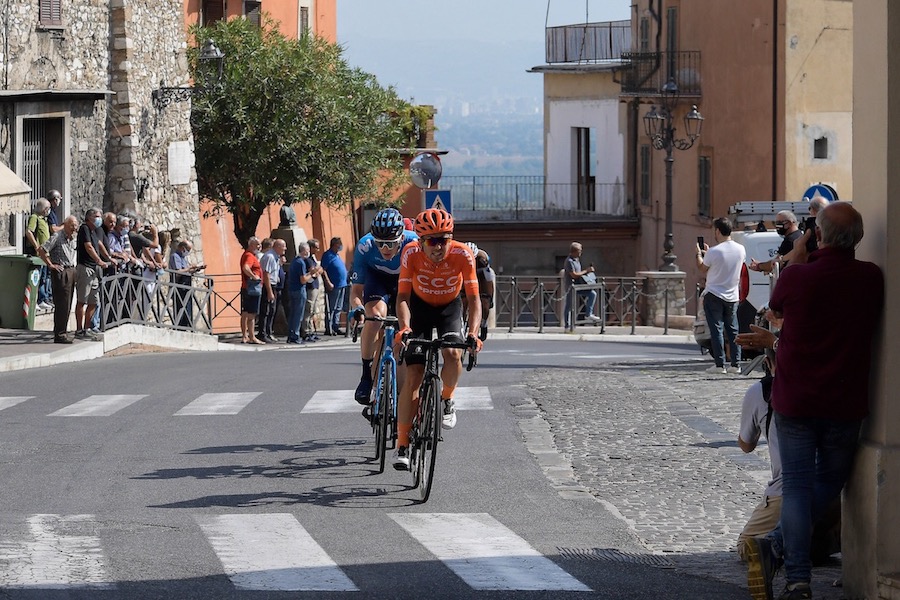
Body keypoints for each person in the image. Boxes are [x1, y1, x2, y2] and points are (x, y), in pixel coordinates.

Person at [743, 202, 884, 600]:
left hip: (796, 399)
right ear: (857, 239)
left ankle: (797, 579)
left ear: (816, 234)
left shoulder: (796, 278)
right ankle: (775, 548)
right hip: (845, 401)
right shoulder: (871, 278)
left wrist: (798, 258)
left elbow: (776, 314)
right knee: (830, 481)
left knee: (799, 487)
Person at [392, 208, 482, 470]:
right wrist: (404, 328)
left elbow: (474, 299)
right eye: (432, 241)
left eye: (444, 239)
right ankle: (403, 444)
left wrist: (473, 332)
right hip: (418, 308)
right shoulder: (409, 252)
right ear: (420, 241)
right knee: (414, 374)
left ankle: (447, 398)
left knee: (453, 353)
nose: (438, 247)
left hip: (449, 308)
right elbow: (402, 298)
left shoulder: (462, 253)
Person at [348, 207, 419, 405]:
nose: (385, 248)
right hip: (376, 279)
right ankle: (366, 376)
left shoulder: (414, 243)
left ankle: (402, 400)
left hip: (404, 281)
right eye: (380, 243)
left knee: (403, 335)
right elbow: (355, 291)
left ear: (401, 237)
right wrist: (358, 308)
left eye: (391, 243)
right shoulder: (365, 246)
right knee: (375, 318)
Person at [696, 217, 746, 374]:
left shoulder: (714, 251)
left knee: (716, 329)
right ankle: (736, 365)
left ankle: (719, 365)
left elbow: (702, 268)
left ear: (718, 231)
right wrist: (709, 253)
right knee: (733, 330)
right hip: (732, 295)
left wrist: (698, 254)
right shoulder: (740, 249)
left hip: (714, 294)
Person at [37, 215, 79, 344]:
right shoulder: (57, 236)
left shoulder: (72, 238)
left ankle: (63, 331)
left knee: (68, 304)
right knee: (62, 304)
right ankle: (60, 334)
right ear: (65, 225)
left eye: (76, 225)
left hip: (71, 270)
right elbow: (42, 250)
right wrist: (50, 264)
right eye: (72, 225)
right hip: (61, 271)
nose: (75, 227)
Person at [74, 207, 115, 341]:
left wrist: (108, 258)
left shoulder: (93, 231)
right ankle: (79, 329)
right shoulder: (84, 228)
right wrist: (99, 260)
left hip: (94, 269)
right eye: (97, 216)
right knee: (82, 300)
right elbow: (89, 246)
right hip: (85, 268)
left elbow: (98, 244)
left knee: (94, 301)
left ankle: (87, 328)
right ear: (90, 217)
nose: (99, 219)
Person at [24, 198, 53, 310]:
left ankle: (42, 299)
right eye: (47, 208)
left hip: (45, 254)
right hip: (38, 254)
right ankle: (35, 300)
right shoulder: (34, 218)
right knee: (37, 277)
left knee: (44, 278)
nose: (48, 210)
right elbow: (29, 231)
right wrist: (36, 246)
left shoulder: (44, 219)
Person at [562, 242, 600, 328]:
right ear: (574, 251)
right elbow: (574, 274)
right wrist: (586, 271)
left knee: (592, 294)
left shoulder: (577, 260)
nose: (580, 253)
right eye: (579, 251)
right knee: (569, 305)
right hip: (570, 287)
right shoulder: (569, 261)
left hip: (579, 285)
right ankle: (567, 325)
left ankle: (588, 314)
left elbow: (579, 273)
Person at [168, 239, 205, 328]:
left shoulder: (183, 258)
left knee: (187, 309)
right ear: (182, 248)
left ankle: (187, 326)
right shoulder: (175, 256)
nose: (188, 252)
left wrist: (196, 269)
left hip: (186, 287)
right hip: (179, 287)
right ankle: (180, 327)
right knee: (180, 309)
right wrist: (189, 269)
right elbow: (178, 271)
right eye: (187, 249)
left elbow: (186, 271)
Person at [782, 198, 829, 266]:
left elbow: (802, 248)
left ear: (813, 210)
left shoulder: (811, 226)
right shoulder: (833, 225)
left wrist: (782, 259)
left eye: (810, 208)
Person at [257, 238, 286, 342]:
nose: (285, 249)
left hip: (274, 285)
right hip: (268, 286)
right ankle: (262, 333)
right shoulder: (269, 256)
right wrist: (269, 291)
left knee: (272, 310)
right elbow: (266, 274)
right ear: (277, 247)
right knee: (265, 310)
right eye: (283, 246)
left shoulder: (275, 257)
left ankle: (269, 332)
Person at [285, 242, 314, 344]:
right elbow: (303, 279)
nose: (308, 252)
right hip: (299, 290)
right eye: (308, 250)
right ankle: (295, 336)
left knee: (293, 313)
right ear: (304, 250)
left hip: (292, 289)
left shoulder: (294, 261)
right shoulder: (301, 262)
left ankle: (291, 334)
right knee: (298, 314)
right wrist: (312, 274)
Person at [466, 242, 495, 341]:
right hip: (466, 272)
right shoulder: (461, 256)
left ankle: (484, 323)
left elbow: (488, 280)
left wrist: (488, 295)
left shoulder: (482, 258)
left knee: (485, 302)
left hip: (481, 272)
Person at [321, 237, 349, 336]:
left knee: (338, 307)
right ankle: (329, 328)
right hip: (334, 285)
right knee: (332, 307)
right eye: (339, 244)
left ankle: (335, 326)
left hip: (342, 284)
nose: (340, 246)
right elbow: (323, 269)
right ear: (334, 245)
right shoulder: (328, 255)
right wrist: (328, 282)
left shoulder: (336, 255)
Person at [239, 236, 264, 345]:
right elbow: (246, 267)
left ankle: (245, 336)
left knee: (245, 313)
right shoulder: (249, 256)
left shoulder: (247, 255)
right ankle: (252, 336)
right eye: (257, 244)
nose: (259, 246)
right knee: (252, 314)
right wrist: (254, 277)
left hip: (246, 287)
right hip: (252, 288)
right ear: (252, 245)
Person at [301, 239, 326, 342]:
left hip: (315, 286)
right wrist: (317, 270)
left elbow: (320, 269)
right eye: (316, 247)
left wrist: (317, 270)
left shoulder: (313, 258)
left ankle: (311, 331)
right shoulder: (307, 259)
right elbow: (314, 271)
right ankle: (306, 331)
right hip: (310, 287)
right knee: (308, 309)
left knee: (313, 311)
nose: (318, 249)